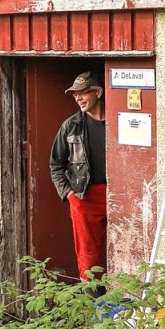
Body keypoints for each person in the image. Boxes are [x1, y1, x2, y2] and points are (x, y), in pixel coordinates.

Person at [49, 71, 108, 282]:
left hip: (116, 194)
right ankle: (95, 304)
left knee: (126, 242)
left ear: (98, 92)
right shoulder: (70, 126)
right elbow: (55, 164)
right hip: (85, 196)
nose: (78, 98)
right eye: (75, 95)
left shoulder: (119, 120)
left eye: (83, 93)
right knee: (88, 254)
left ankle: (127, 296)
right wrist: (69, 194)